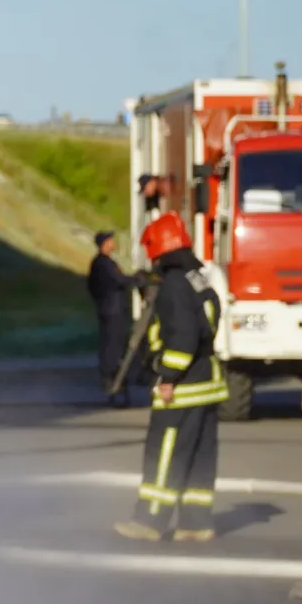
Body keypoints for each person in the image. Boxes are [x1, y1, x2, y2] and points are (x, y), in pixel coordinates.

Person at [114, 212, 225, 543]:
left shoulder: (173, 285)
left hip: (184, 387)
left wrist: (168, 377)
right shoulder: (197, 278)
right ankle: (195, 522)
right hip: (207, 382)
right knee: (199, 455)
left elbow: (182, 336)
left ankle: (149, 521)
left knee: (164, 454)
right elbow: (208, 321)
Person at [87, 230, 145, 407]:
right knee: (113, 344)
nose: (114, 243)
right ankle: (112, 377)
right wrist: (137, 280)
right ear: (104, 243)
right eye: (110, 240)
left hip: (110, 308)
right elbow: (118, 280)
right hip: (112, 310)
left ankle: (114, 376)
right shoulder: (103, 263)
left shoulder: (103, 263)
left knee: (114, 343)